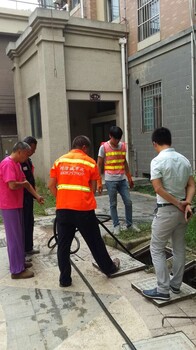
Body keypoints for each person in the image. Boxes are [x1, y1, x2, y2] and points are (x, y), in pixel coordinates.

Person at [48, 135, 120, 287]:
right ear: (84, 147)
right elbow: (93, 189)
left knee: (63, 245)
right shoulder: (89, 162)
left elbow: (51, 186)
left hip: (63, 210)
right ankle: (109, 268)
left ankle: (65, 279)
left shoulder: (59, 161)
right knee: (95, 241)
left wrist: (62, 198)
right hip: (83, 211)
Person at [142, 127, 195, 301]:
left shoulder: (157, 161)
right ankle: (175, 285)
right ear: (170, 141)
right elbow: (192, 185)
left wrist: (178, 203)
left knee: (156, 248)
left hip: (166, 210)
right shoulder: (184, 160)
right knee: (179, 248)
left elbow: (158, 188)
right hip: (182, 213)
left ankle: (163, 289)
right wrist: (186, 202)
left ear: (154, 143)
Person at [0, 142, 44, 279]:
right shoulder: (7, 164)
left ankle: (20, 262)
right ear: (19, 151)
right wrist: (23, 184)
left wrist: (37, 196)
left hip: (17, 204)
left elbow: (26, 183)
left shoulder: (17, 164)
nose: (27, 157)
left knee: (19, 236)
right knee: (14, 238)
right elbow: (12, 185)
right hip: (9, 205)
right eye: (26, 154)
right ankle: (16, 271)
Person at [97, 126, 140, 235]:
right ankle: (116, 225)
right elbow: (99, 165)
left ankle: (129, 224)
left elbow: (124, 162)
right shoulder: (104, 147)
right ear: (110, 136)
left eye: (118, 139)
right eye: (115, 139)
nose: (117, 141)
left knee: (128, 202)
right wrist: (98, 182)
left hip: (122, 180)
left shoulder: (122, 146)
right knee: (113, 204)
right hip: (110, 180)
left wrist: (129, 178)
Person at [21, 136, 40, 255]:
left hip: (29, 197)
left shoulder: (28, 160)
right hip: (22, 198)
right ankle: (22, 250)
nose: (34, 151)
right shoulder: (19, 161)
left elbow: (30, 179)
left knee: (29, 221)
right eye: (33, 148)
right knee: (23, 223)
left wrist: (35, 194)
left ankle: (28, 247)